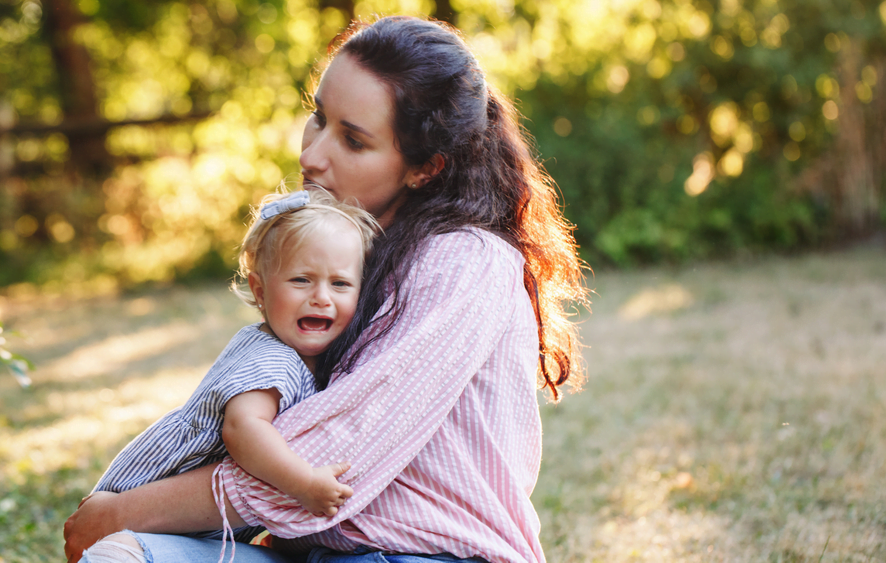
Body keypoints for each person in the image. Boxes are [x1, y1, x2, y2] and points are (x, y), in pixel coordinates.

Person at [64, 15, 587, 563]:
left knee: (118, 536)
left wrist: (122, 510)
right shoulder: (357, 252)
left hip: (423, 557)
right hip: (316, 554)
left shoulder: (465, 260)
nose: (311, 156)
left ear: (425, 168)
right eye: (318, 118)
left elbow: (334, 455)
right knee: (123, 556)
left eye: (353, 140)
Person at [79, 189, 379, 561]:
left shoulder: (305, 358)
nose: (321, 297)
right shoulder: (274, 359)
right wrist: (304, 484)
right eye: (301, 280)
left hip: (186, 525)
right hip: (145, 504)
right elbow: (243, 431)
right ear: (260, 291)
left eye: (340, 284)